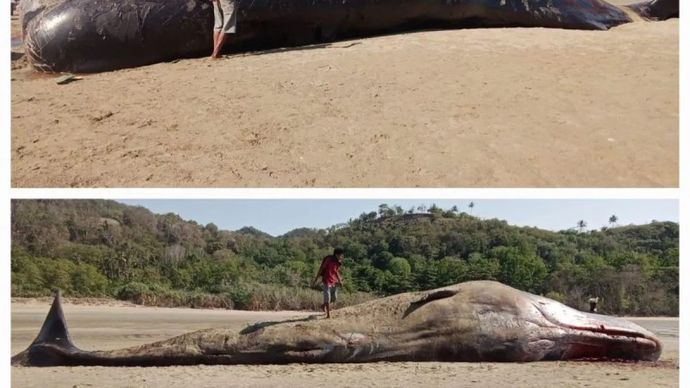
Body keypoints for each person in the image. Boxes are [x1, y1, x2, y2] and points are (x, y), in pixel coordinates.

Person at [312, 248, 345, 319]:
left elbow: (336, 271)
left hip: (333, 281)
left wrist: (339, 280)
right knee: (327, 298)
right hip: (326, 280)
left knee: (334, 298)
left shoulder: (338, 262)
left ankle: (323, 305)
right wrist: (315, 280)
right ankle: (328, 314)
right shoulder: (329, 260)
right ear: (337, 254)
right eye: (341, 255)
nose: (342, 257)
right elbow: (321, 269)